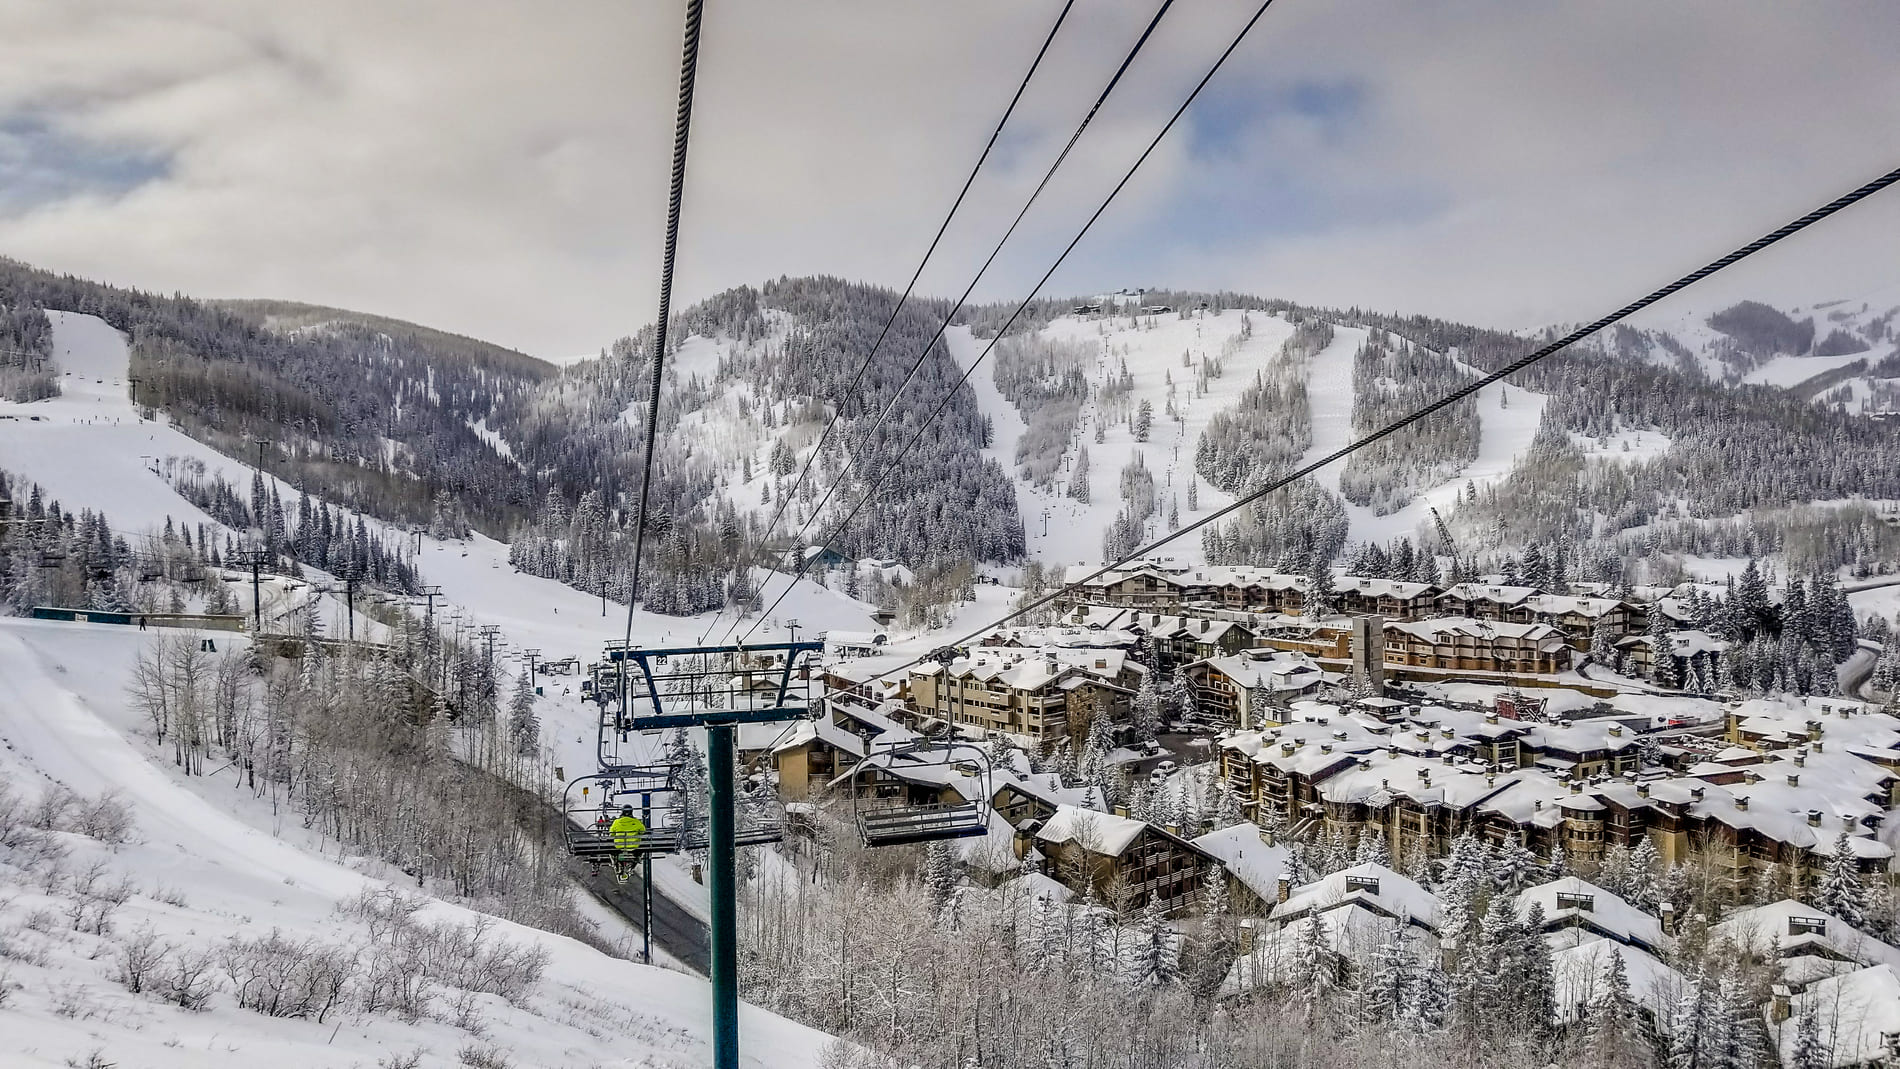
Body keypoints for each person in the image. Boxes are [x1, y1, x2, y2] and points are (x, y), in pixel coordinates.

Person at [609, 805, 646, 883]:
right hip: (633, 846)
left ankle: (616, 862)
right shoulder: (636, 822)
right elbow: (643, 831)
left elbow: (611, 833)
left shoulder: (617, 822)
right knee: (641, 848)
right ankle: (636, 859)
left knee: (612, 849)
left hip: (619, 846)